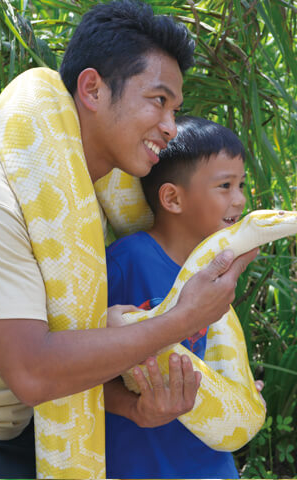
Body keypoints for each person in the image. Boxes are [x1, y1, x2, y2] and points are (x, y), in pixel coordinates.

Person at [0, 2, 257, 478]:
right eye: (157, 101)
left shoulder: (83, 196)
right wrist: (183, 318)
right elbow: (33, 371)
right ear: (91, 88)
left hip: (14, 422)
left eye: (175, 109)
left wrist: (133, 409)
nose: (170, 128)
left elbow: (59, 358)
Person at [104, 116, 257, 479]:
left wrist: (240, 395)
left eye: (241, 184)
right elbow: (78, 369)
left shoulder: (214, 271)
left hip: (211, 467)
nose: (240, 199)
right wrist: (133, 407)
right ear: (172, 197)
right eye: (225, 185)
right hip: (141, 465)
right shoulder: (129, 261)